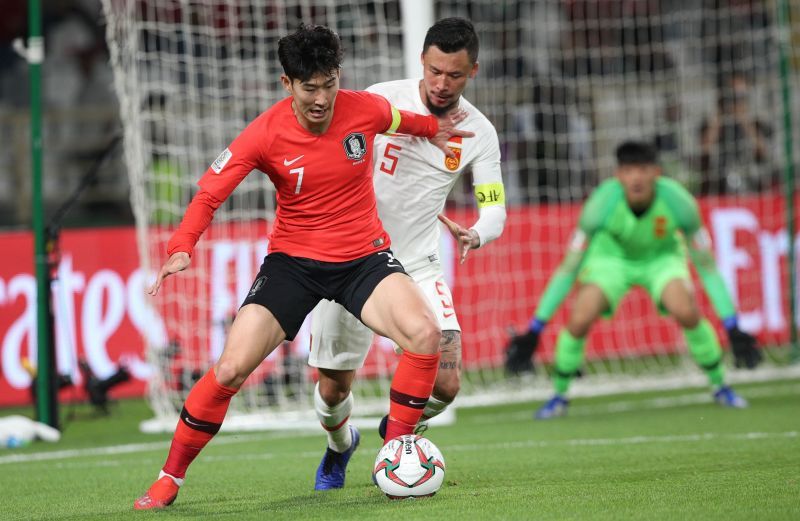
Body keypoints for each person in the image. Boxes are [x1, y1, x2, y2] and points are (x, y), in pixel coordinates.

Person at [134, 23, 474, 510]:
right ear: (287, 84)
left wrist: (433, 130)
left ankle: (395, 454)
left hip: (364, 258)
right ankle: (169, 478)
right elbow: (210, 192)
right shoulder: (265, 133)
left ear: (339, 76)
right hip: (293, 263)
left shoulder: (363, 108)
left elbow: (399, 120)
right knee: (230, 368)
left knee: (424, 336)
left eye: (329, 83)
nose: (321, 98)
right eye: (309, 87)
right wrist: (182, 244)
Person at [308, 17, 506, 490]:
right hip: (353, 257)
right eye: (435, 70)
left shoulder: (479, 132)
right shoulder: (382, 98)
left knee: (447, 381)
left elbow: (494, 207)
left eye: (454, 75)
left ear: (472, 71)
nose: (441, 84)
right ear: (422, 60)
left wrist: (476, 234)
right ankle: (340, 447)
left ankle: (398, 434)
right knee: (333, 387)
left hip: (416, 263)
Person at [504, 140, 762, 419]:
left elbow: (707, 267)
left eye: (642, 170)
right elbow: (568, 269)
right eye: (628, 170)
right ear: (618, 175)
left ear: (656, 173)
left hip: (662, 259)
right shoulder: (600, 205)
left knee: (685, 308)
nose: (636, 177)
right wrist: (535, 329)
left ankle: (720, 386)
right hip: (611, 260)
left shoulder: (680, 204)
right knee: (581, 315)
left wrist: (732, 326)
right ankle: (559, 395)